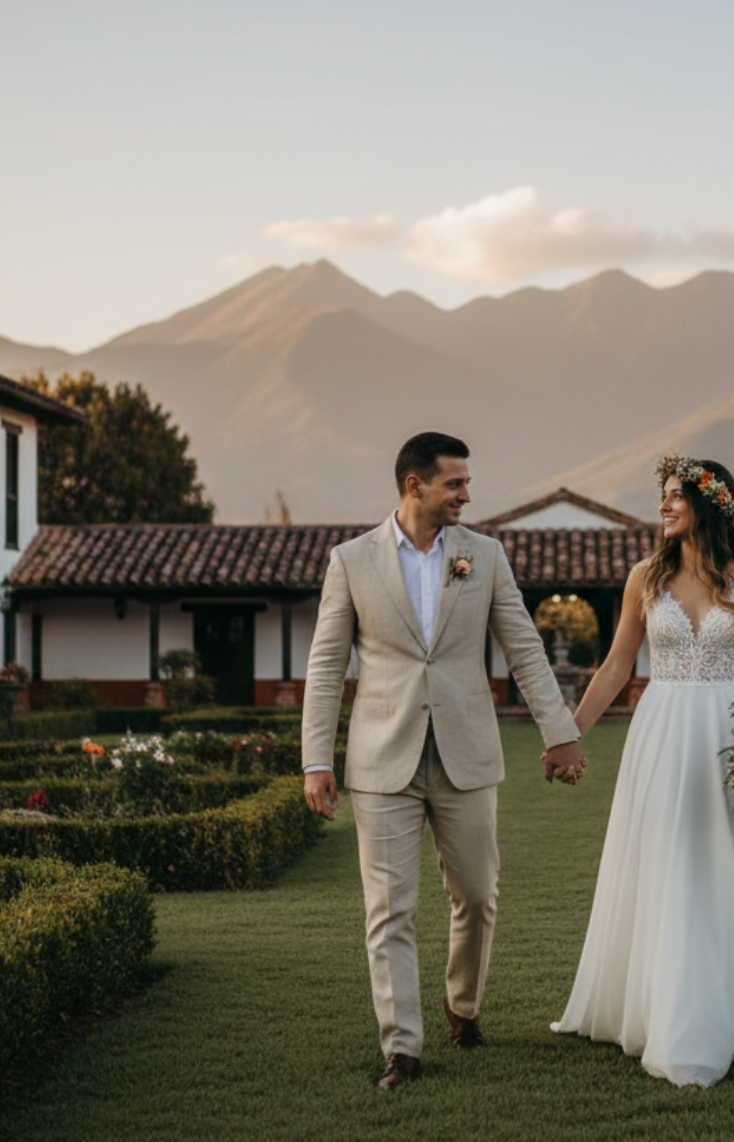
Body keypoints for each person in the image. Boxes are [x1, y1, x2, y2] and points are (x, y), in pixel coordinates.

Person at [547, 455, 734, 1087]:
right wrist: (567, 733)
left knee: (722, 858)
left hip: (729, 730)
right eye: (662, 496)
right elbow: (616, 666)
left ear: (709, 504)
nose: (663, 506)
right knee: (670, 856)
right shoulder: (644, 577)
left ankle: (725, 1005)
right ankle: (664, 1006)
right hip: (660, 730)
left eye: (675, 496)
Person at [301, 431, 588, 1090]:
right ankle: (401, 1047)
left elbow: (524, 647)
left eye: (466, 483)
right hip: (382, 760)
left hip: (467, 753)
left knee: (477, 896)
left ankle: (464, 1006)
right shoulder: (351, 560)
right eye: (455, 483)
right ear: (415, 484)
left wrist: (560, 732)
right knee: (389, 910)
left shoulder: (484, 556)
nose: (466, 495)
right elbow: (325, 665)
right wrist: (317, 759)